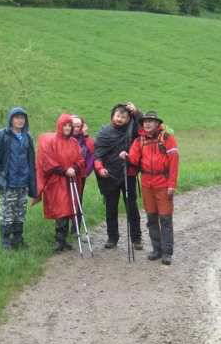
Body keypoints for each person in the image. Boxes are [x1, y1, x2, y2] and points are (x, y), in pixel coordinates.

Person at [126, 111, 179, 265]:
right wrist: (126, 156)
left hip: (163, 183)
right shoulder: (139, 141)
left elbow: (174, 163)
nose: (147, 124)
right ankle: (157, 250)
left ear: (157, 124)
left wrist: (172, 184)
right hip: (147, 183)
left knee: (165, 218)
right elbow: (134, 160)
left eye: (151, 121)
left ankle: (167, 253)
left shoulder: (167, 138)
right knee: (151, 218)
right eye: (145, 122)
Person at [94, 102, 143, 250]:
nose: (120, 119)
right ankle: (112, 237)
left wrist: (137, 112)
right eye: (117, 116)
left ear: (129, 119)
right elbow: (97, 155)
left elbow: (144, 128)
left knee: (132, 207)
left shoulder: (133, 130)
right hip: (109, 176)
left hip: (128, 174)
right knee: (111, 207)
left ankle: (136, 239)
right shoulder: (104, 133)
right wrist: (100, 169)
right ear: (112, 116)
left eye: (124, 116)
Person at [0, 107, 37, 250]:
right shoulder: (1, 135)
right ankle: (6, 242)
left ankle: (18, 239)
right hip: (8, 182)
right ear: (11, 119)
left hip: (23, 182)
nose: (20, 120)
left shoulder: (27, 137)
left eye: (22, 118)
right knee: (7, 213)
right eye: (17, 117)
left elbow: (31, 160)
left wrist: (31, 181)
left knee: (20, 213)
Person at [37, 114, 85, 252]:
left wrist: (74, 168)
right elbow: (47, 161)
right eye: (65, 125)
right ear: (60, 126)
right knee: (61, 210)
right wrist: (64, 170)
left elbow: (80, 159)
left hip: (71, 180)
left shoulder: (74, 143)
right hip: (57, 181)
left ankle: (63, 240)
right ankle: (59, 240)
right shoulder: (52, 141)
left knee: (69, 209)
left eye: (70, 125)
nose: (68, 128)